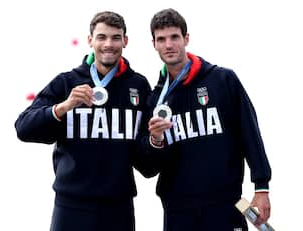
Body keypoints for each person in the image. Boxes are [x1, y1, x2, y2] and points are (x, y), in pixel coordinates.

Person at [15, 11, 152, 231]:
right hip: (71, 206)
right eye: (101, 37)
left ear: (125, 41)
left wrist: (156, 139)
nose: (109, 44)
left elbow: (147, 161)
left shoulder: (139, 85)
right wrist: (64, 107)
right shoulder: (67, 82)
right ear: (90, 40)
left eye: (116, 37)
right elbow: (23, 128)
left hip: (118, 208)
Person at [145, 8, 272, 231]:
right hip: (178, 210)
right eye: (161, 39)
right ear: (153, 44)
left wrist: (261, 187)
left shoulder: (223, 80)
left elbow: (249, 133)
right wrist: (155, 140)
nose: (168, 45)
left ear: (186, 38)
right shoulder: (156, 99)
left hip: (225, 206)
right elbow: (149, 167)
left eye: (174, 37)